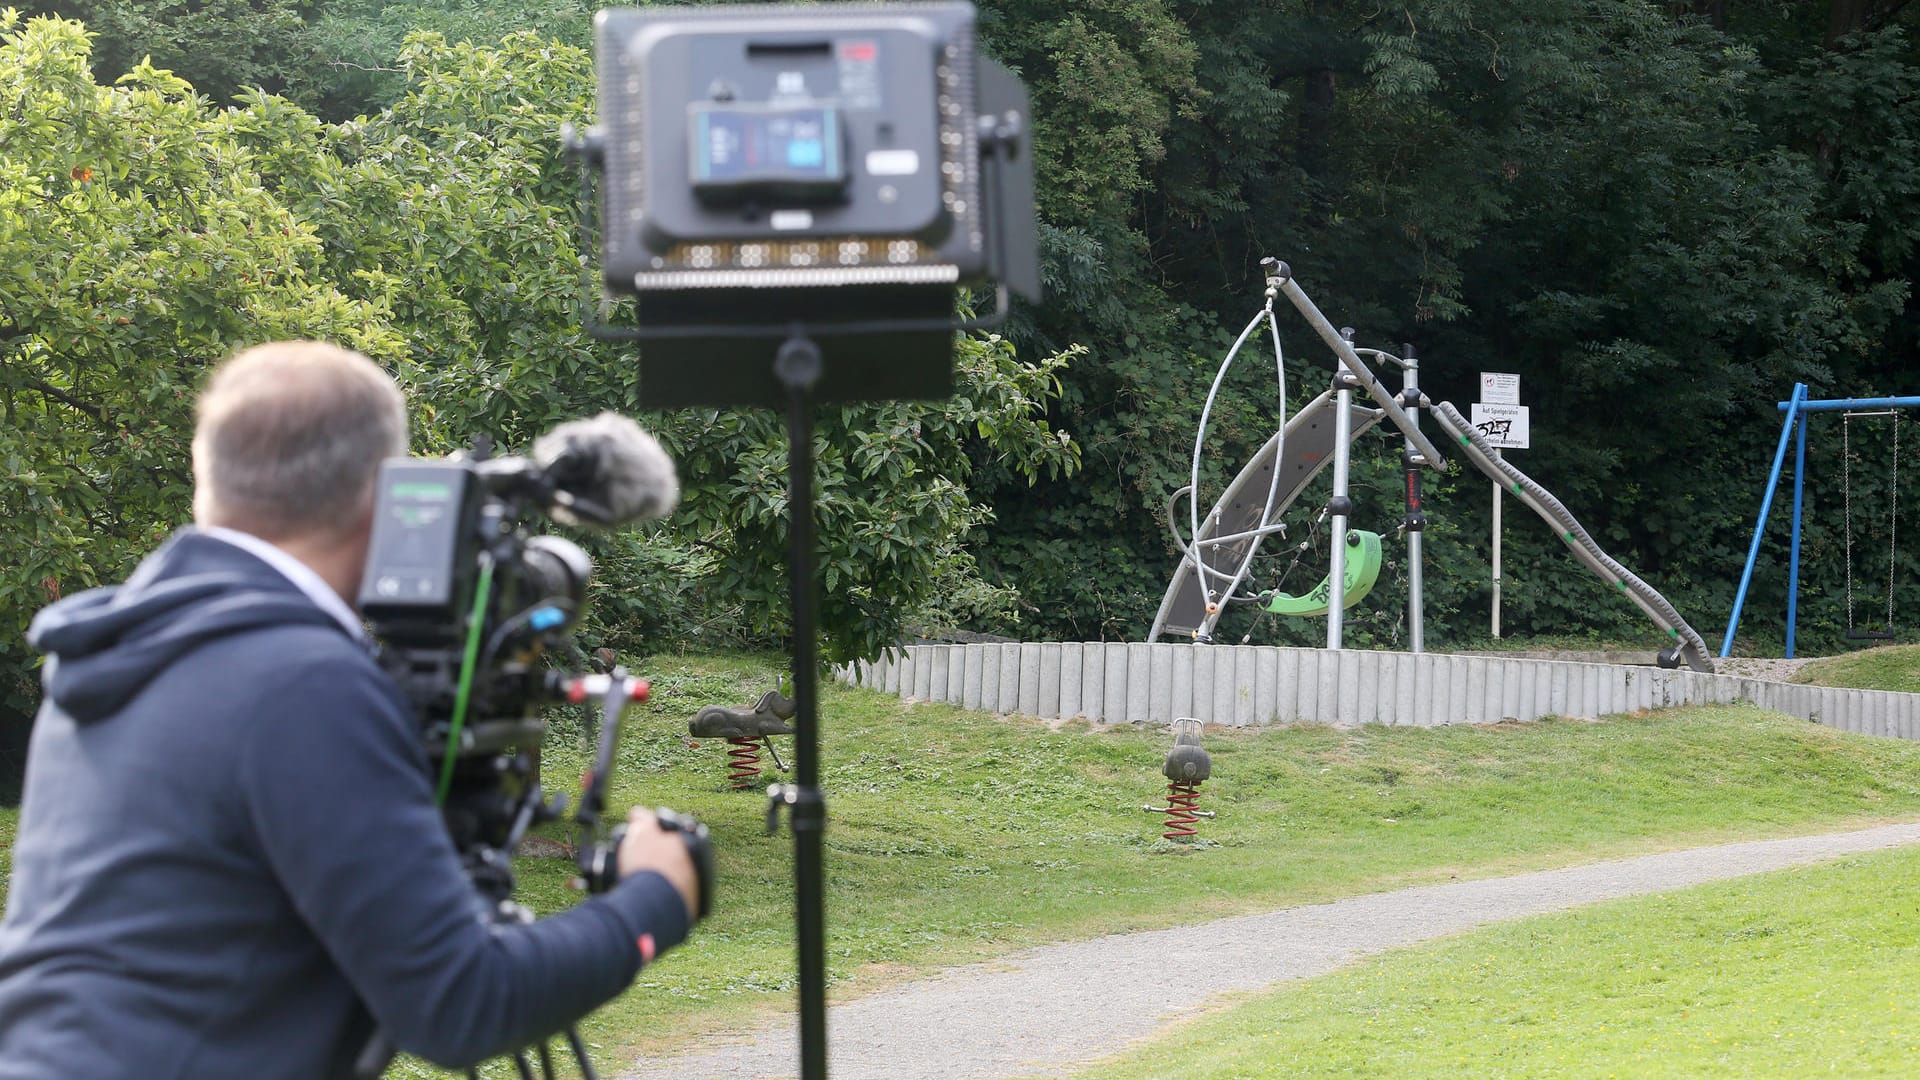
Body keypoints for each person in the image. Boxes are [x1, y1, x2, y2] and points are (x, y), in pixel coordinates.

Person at [0, 341, 700, 1078]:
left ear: (213, 480)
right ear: (382, 497)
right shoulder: (299, 682)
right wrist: (656, 898)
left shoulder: (118, 648)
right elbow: (464, 1003)